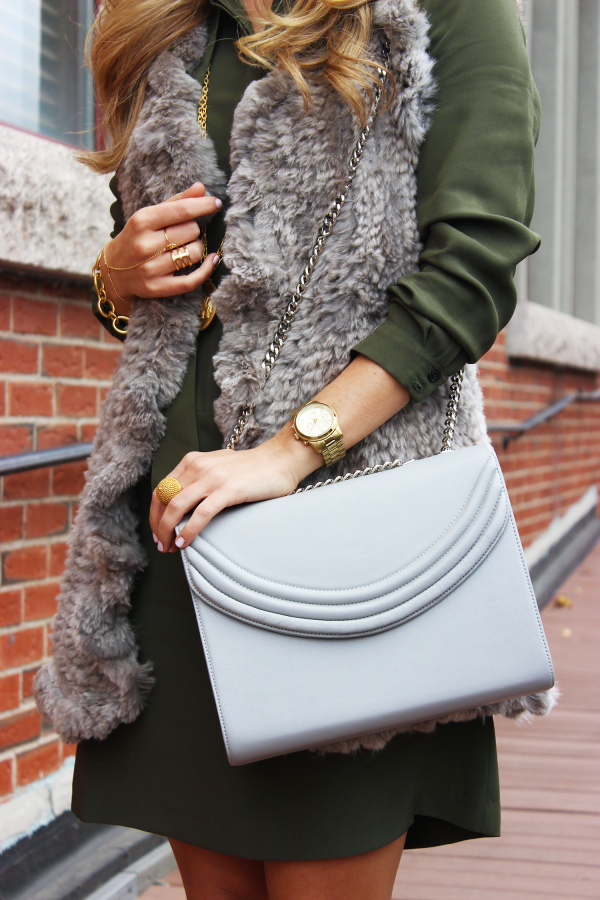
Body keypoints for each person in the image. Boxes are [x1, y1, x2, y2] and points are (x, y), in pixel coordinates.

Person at [34, 1, 544, 897]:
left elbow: (474, 270)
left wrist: (287, 452)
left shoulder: (439, 13)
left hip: (348, 527)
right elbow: (162, 302)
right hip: (181, 529)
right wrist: (115, 278)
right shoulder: (164, 20)